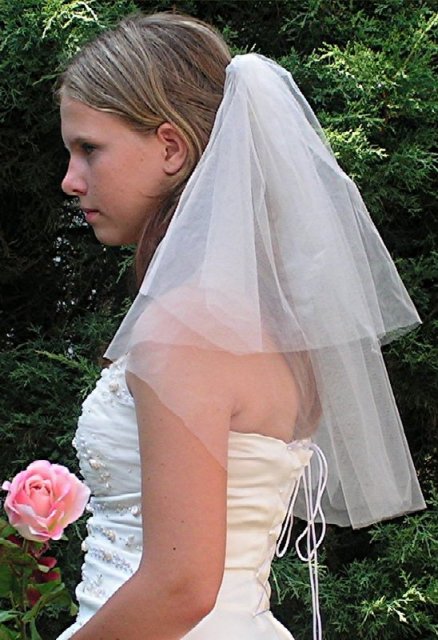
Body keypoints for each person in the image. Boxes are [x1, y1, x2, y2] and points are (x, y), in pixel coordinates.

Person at [56, 11, 425, 640]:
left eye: (89, 149)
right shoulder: (264, 323)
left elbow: (181, 587)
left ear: (170, 147)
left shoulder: (186, 328)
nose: (71, 180)